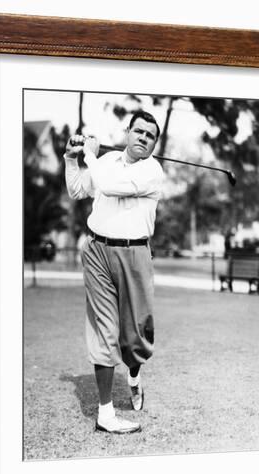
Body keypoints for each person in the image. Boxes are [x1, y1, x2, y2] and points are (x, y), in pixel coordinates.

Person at [64, 111, 164, 434]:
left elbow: (110, 186)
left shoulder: (153, 172)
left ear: (154, 144)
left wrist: (90, 155)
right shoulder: (105, 162)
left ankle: (133, 375)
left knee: (134, 335)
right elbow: (79, 190)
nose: (143, 138)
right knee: (104, 329)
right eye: (138, 131)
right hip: (96, 250)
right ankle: (105, 414)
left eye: (150, 136)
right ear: (128, 132)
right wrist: (71, 159)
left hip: (135, 254)